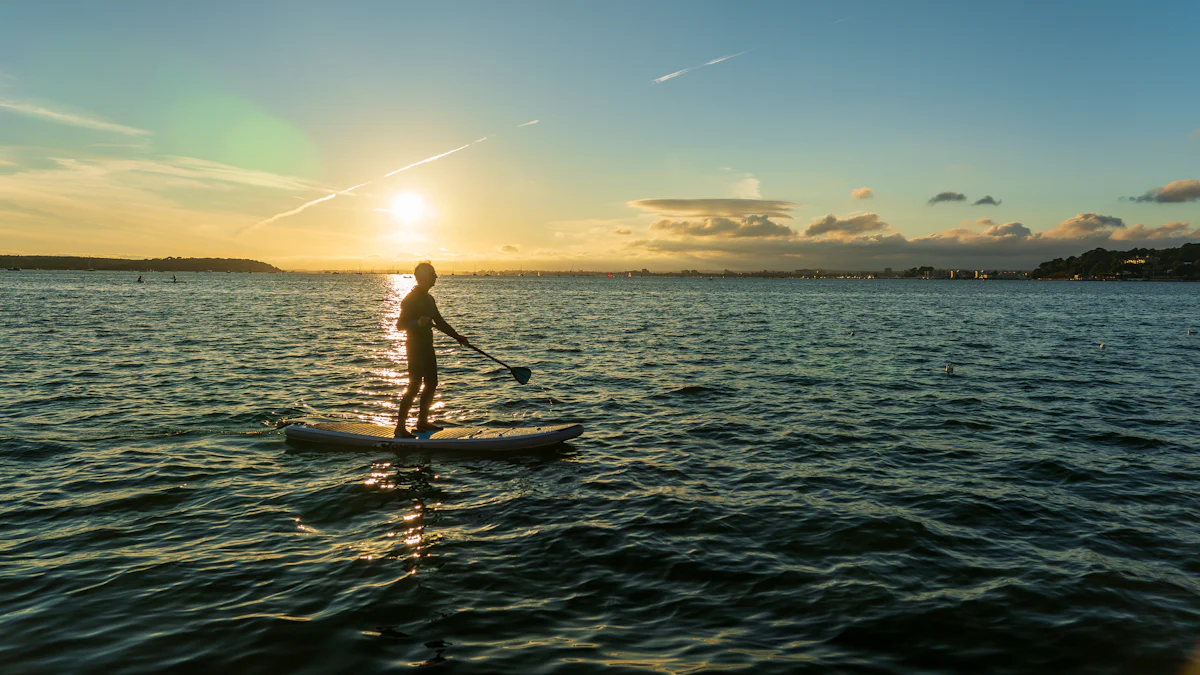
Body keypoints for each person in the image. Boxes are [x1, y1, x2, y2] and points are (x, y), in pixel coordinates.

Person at [394, 262, 469, 438]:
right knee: (414, 386)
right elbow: (400, 325)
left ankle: (421, 422)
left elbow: (440, 322)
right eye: (433, 274)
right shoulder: (410, 299)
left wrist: (458, 337)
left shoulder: (429, 299)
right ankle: (400, 428)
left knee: (432, 382)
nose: (436, 277)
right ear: (424, 277)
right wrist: (416, 323)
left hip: (427, 345)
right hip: (414, 347)